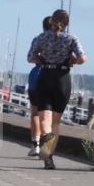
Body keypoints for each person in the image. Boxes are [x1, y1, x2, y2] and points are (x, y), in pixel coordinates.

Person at [26, 9, 88, 170]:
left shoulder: (41, 37)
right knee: (56, 122)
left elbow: (30, 57)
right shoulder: (71, 39)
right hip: (62, 79)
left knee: (44, 120)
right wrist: (72, 60)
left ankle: (46, 141)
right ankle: (49, 157)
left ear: (52, 21)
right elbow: (82, 58)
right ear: (67, 23)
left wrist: (41, 59)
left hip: (45, 76)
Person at [26, 16, 51, 157]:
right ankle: (47, 148)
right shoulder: (63, 40)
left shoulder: (37, 39)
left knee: (35, 113)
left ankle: (35, 146)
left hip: (36, 77)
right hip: (54, 77)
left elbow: (30, 57)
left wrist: (40, 60)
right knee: (50, 116)